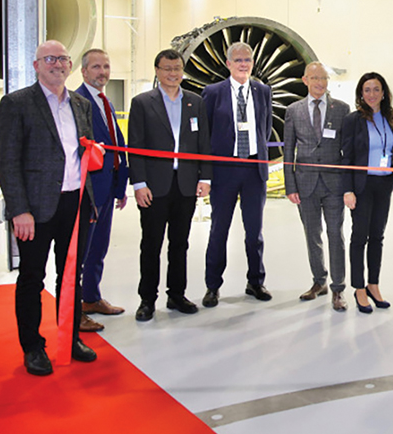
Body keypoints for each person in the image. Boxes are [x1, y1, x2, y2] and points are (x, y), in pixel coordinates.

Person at [0, 40, 98, 376]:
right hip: (36, 208)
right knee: (31, 278)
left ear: (70, 66)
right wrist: (18, 210)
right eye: (50, 59)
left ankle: (69, 340)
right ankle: (33, 347)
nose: (58, 64)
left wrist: (90, 202)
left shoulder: (80, 105)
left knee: (71, 277)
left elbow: (84, 157)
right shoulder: (17, 104)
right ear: (36, 64)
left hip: (75, 203)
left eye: (63, 59)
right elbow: (7, 162)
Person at [128, 49, 212, 322]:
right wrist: (139, 183)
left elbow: (204, 144)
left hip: (185, 185)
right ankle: (147, 300)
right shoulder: (142, 102)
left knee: (180, 243)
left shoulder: (195, 102)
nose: (173, 74)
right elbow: (136, 146)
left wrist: (205, 177)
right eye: (167, 69)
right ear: (157, 70)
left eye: (177, 69)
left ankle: (176, 294)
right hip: (154, 186)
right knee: (151, 244)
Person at [200, 42, 273, 308]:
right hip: (225, 170)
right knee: (219, 230)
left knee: (255, 232)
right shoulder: (213, 92)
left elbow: (265, 130)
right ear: (228, 64)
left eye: (248, 60)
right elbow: (205, 137)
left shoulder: (263, 91)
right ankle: (212, 286)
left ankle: (256, 281)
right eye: (238, 60)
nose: (244, 64)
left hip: (254, 169)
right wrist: (205, 176)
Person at [283, 62, 351, 311]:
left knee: (335, 235)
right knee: (312, 235)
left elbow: (348, 151)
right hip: (305, 184)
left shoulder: (341, 109)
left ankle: (338, 288)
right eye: (315, 78)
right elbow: (288, 149)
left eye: (323, 78)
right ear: (305, 80)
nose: (320, 83)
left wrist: (347, 185)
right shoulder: (293, 110)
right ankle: (318, 281)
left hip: (333, 184)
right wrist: (290, 185)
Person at [75, 49, 129, 333]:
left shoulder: (104, 102)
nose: (102, 72)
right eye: (96, 67)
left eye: (106, 66)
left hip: (108, 188)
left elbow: (116, 146)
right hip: (90, 191)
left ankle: (91, 298)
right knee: (81, 252)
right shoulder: (76, 101)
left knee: (99, 247)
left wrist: (121, 186)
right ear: (83, 71)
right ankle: (75, 311)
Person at [341, 72, 393, 314]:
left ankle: (373, 284)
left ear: (383, 93)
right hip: (362, 186)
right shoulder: (353, 120)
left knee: (377, 236)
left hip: (384, 183)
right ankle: (358, 288)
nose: (372, 94)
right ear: (361, 94)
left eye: (376, 89)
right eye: (367, 90)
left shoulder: (389, 116)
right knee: (360, 238)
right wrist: (348, 189)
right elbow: (345, 157)